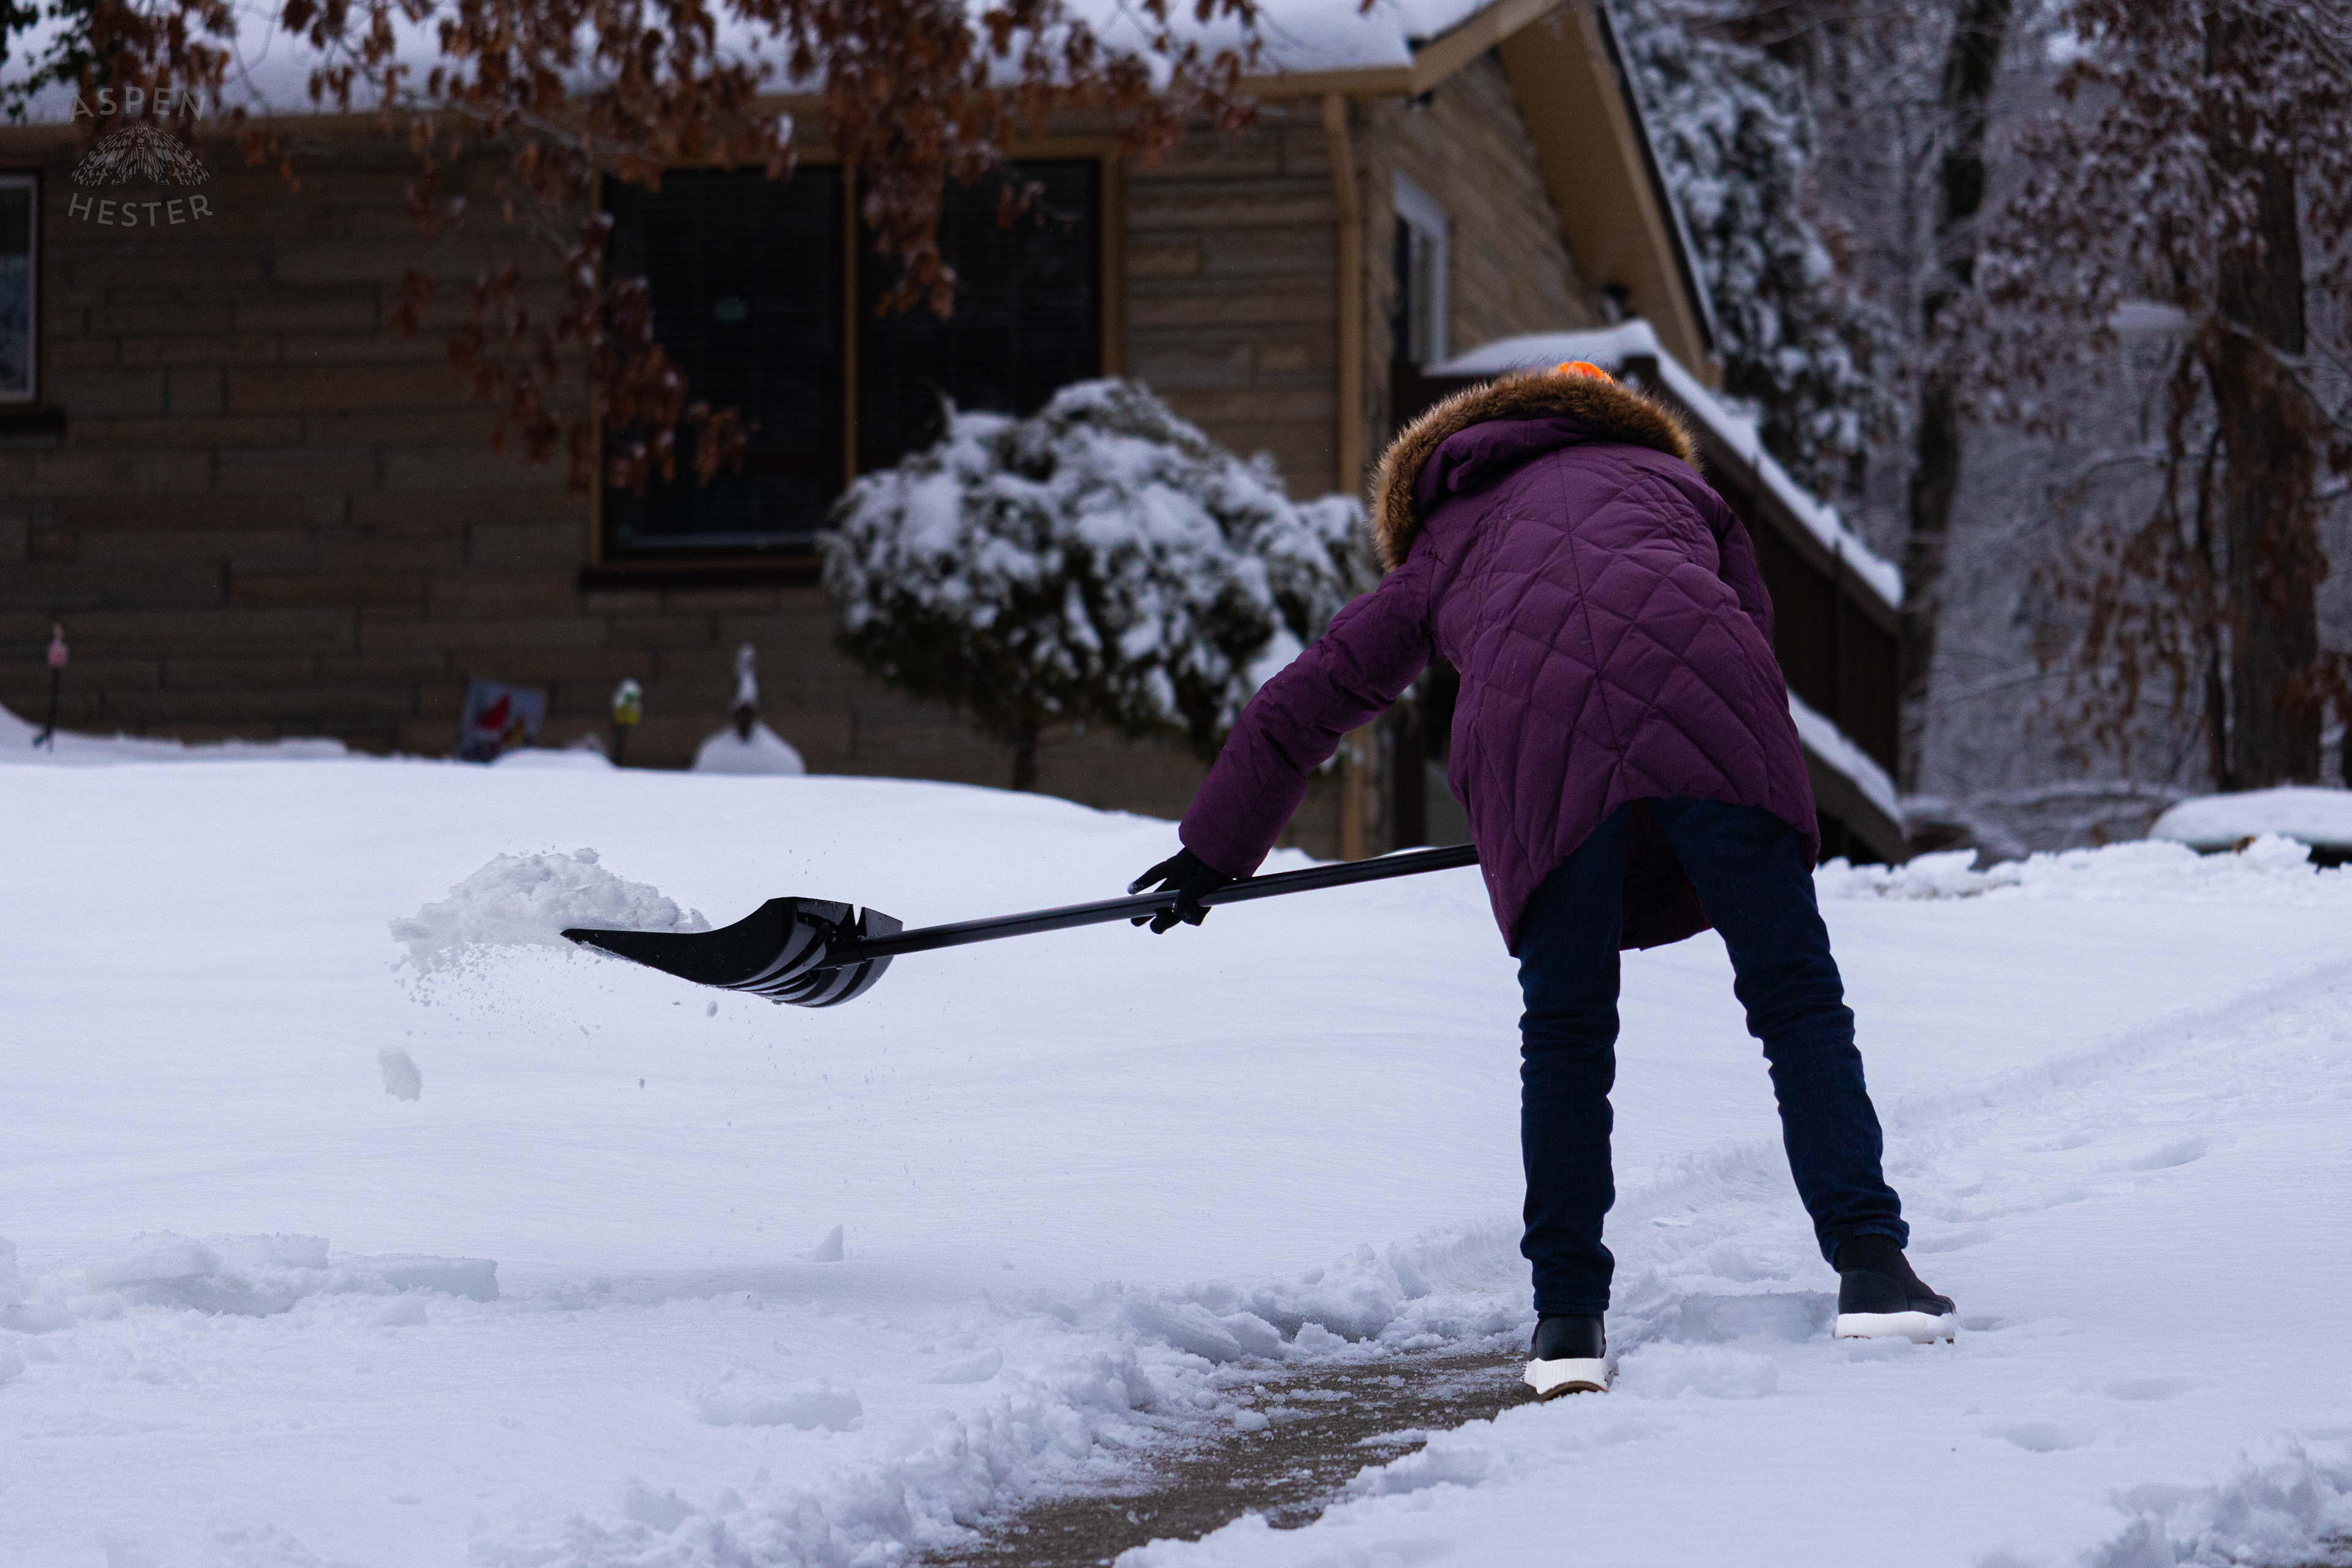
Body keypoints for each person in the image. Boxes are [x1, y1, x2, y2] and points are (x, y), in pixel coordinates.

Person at [1129, 361, 1954, 1398]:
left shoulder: (1447, 536)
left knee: (1565, 1037)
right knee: (1796, 1000)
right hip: (1717, 717)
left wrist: (1215, 851)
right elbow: (1746, 630)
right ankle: (1873, 1270)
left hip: (1535, 750)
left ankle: (1568, 1323)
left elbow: (1311, 697)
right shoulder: (1679, 489)